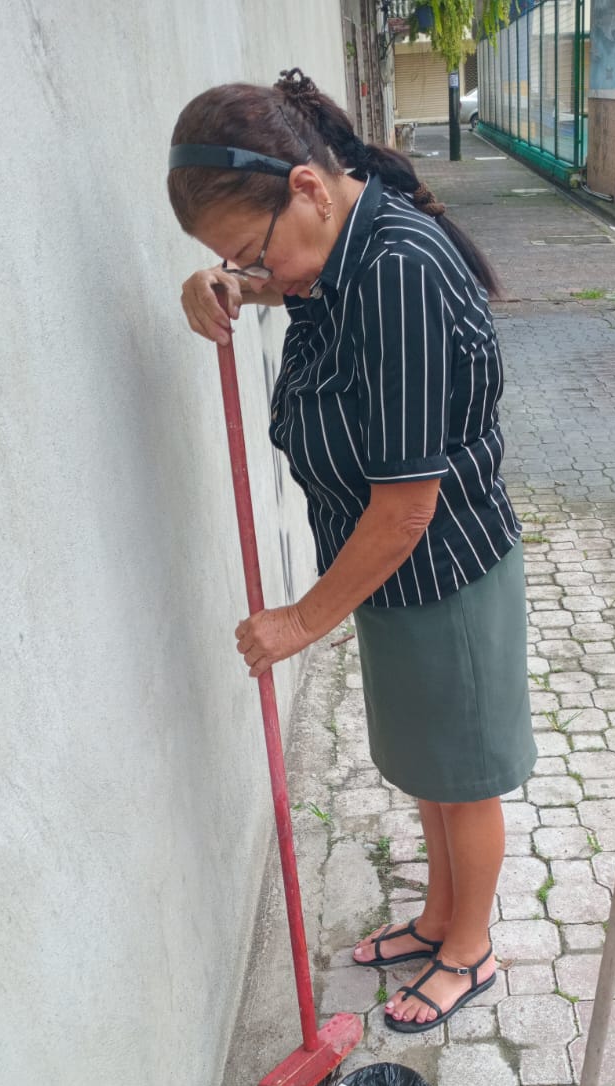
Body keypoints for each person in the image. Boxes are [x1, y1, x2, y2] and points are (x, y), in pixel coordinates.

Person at [169, 68, 536, 1034]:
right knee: (428, 766)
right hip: (386, 574)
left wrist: (299, 620)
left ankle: (471, 948)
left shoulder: (398, 270)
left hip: (445, 572)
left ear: (307, 188)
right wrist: (225, 285)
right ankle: (437, 919)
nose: (263, 272)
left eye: (253, 251)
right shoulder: (338, 251)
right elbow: (293, 284)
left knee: (465, 778)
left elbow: (409, 507)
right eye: (234, 260)